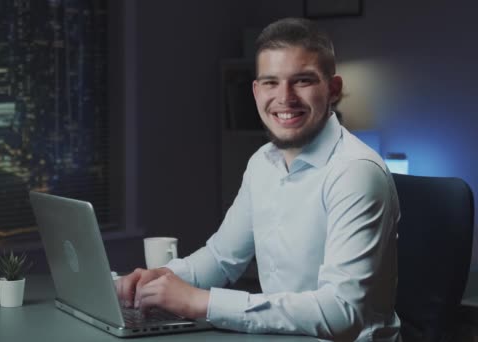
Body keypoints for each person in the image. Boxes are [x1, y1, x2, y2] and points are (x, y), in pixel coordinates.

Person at [116, 17, 400, 342]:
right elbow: (221, 259)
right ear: (255, 91)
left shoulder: (355, 172)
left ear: (333, 89)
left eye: (303, 81)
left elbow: (342, 313)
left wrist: (201, 302)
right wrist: (159, 279)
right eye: (270, 82)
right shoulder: (262, 163)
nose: (284, 97)